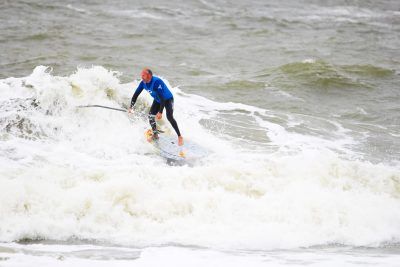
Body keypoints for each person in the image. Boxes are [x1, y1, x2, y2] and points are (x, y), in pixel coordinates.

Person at [128, 68, 184, 146]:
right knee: (150, 116)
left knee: (169, 117)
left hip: (167, 99)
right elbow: (136, 94)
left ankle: (179, 136)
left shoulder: (157, 82)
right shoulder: (143, 83)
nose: (142, 77)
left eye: (143, 75)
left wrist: (160, 112)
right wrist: (131, 107)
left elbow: (162, 98)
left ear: (149, 76)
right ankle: (155, 135)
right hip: (157, 100)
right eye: (142, 75)